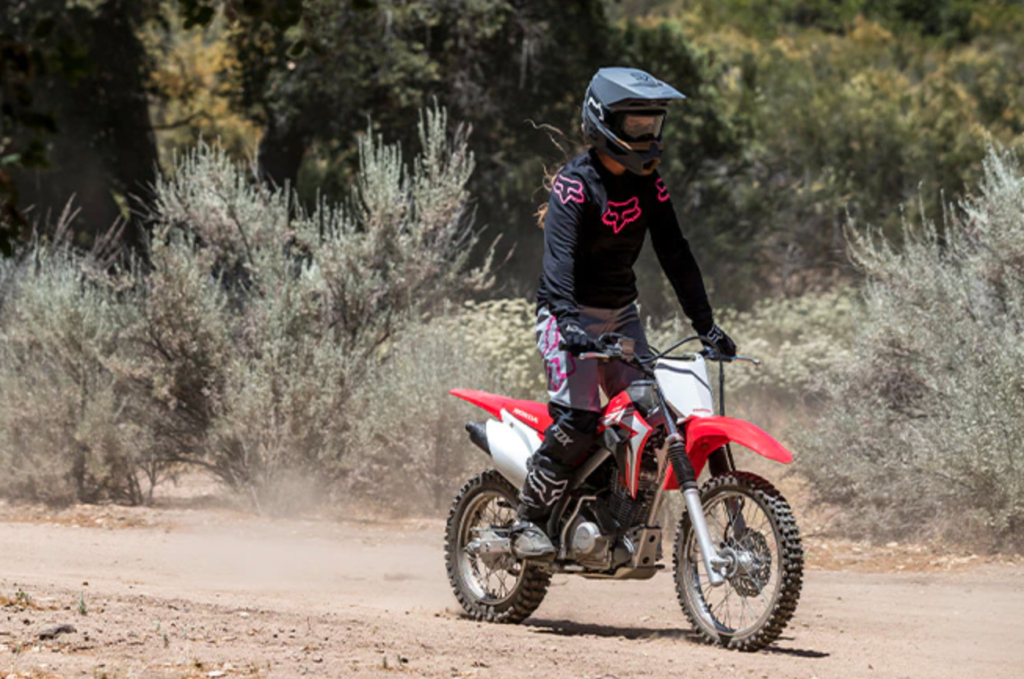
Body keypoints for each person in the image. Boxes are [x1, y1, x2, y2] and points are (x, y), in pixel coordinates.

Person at [512, 67, 737, 559]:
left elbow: (676, 254)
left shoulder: (649, 184)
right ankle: (527, 519)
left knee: (654, 418)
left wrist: (706, 326)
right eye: (636, 125)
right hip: (565, 316)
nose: (647, 136)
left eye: (652, 125)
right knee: (579, 420)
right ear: (603, 122)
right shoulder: (575, 186)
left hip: (620, 316)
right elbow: (558, 261)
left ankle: (612, 515)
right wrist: (568, 323)